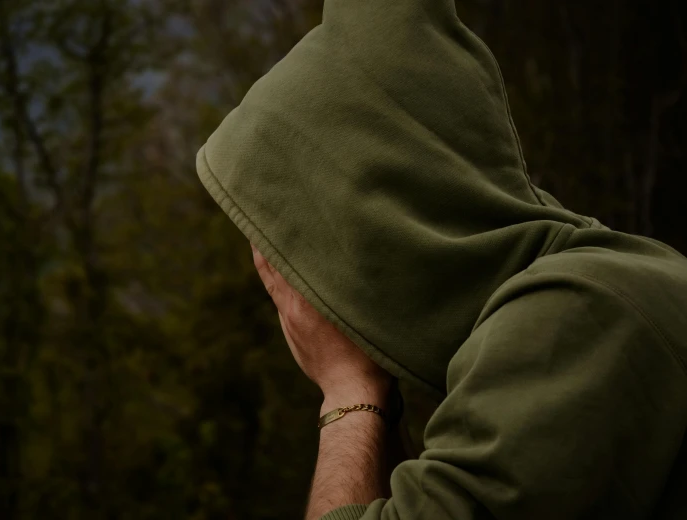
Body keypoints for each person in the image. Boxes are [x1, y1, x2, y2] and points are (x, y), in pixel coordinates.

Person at [194, 0, 687, 518]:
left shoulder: (573, 316)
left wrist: (347, 391)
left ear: (369, 230)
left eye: (289, 255)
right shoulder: (596, 288)